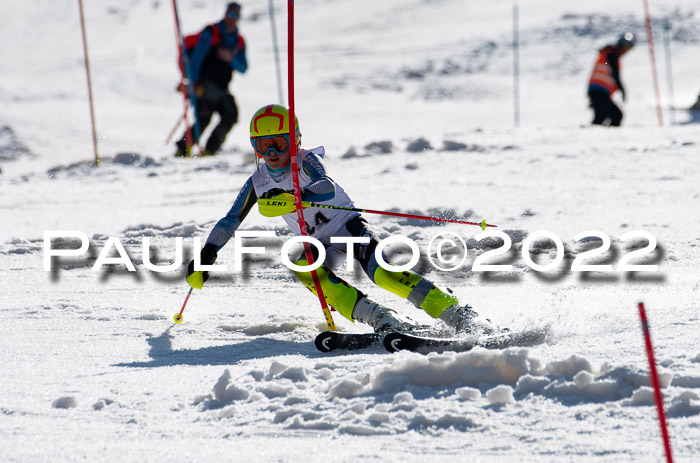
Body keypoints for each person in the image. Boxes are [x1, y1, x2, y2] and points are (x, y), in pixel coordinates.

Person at [185, 104, 497, 335]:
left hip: (347, 227)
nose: (271, 152)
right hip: (317, 242)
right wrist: (208, 253)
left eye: (278, 143)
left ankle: (458, 314)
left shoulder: (305, 161)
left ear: (293, 140)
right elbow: (230, 220)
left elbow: (326, 186)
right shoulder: (258, 182)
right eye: (261, 145)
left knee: (383, 274)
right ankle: (381, 319)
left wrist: (299, 196)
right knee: (302, 266)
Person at [175, 2, 248, 157]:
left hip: (222, 88)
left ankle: (210, 151)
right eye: (230, 14)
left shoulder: (239, 41)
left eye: (235, 15)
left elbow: (243, 68)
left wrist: (231, 58)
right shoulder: (211, 32)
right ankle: (182, 150)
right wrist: (192, 83)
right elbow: (197, 58)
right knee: (203, 120)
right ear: (225, 14)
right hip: (205, 86)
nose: (232, 18)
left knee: (230, 116)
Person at [587, 32, 635, 127]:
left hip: (598, 91)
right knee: (613, 115)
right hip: (598, 91)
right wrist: (622, 90)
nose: (626, 51)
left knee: (608, 115)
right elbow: (615, 74)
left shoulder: (608, 54)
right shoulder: (611, 55)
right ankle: (595, 136)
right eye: (626, 47)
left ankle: (600, 135)